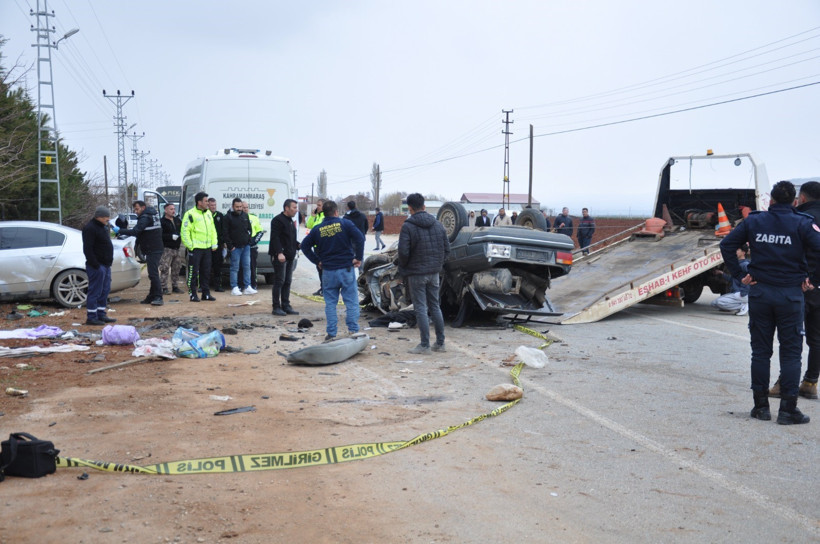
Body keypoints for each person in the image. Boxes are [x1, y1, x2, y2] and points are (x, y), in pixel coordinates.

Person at [720, 180, 820, 425]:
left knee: (761, 352)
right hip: (790, 296)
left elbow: (727, 243)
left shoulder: (755, 221)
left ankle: (761, 407)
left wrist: (738, 274)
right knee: (791, 353)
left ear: (771, 201)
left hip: (761, 293)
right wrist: (813, 281)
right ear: (795, 202)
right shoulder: (802, 223)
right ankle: (788, 410)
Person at [301, 200, 365, 341]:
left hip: (328, 271)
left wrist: (317, 261)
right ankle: (353, 330)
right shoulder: (345, 224)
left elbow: (304, 246)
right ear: (336, 212)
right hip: (346, 269)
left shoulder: (317, 229)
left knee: (330, 303)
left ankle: (331, 333)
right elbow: (360, 239)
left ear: (323, 213)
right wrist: (358, 258)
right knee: (351, 302)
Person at [398, 193, 451, 354]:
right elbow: (447, 249)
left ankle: (424, 345)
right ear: (424, 206)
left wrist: (405, 269)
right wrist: (437, 264)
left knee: (420, 308)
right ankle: (440, 344)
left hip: (416, 273)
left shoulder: (408, 226)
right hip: (434, 273)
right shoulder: (438, 225)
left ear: (410, 208)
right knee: (435, 306)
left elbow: (403, 252)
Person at [120, 200, 164, 306]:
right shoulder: (152, 215)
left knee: (153, 274)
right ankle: (151, 296)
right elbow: (142, 233)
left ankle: (158, 297)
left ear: (143, 208)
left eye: (137, 209)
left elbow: (136, 231)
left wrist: (120, 230)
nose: (135, 211)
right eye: (134, 209)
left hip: (153, 249)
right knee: (152, 274)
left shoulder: (145, 217)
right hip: (154, 248)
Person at [82, 206, 117, 326]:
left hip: (105, 265)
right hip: (97, 266)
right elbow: (88, 249)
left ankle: (101, 313)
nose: (108, 220)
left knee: (104, 290)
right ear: (99, 217)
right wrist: (95, 264)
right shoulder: (90, 228)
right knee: (95, 291)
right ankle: (91, 317)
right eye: (106, 218)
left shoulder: (102, 227)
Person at [181, 191, 218, 302]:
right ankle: (193, 294)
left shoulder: (208, 214)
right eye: (206, 201)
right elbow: (185, 231)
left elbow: (212, 230)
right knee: (193, 272)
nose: (207, 203)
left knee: (206, 272)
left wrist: (214, 243)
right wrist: (190, 246)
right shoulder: (190, 214)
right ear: (199, 202)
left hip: (207, 249)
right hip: (195, 249)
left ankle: (206, 294)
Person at [269, 198, 300, 316]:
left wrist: (298, 245)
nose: (296, 210)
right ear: (287, 208)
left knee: (287, 281)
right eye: (294, 208)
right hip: (280, 257)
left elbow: (289, 238)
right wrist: (279, 253)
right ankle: (276, 307)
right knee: (279, 281)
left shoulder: (290, 221)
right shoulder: (277, 220)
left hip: (290, 256)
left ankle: (286, 305)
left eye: (296, 208)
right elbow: (275, 238)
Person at [223, 197, 255, 296]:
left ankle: (247, 287)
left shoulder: (245, 216)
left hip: (246, 247)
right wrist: (230, 246)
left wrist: (249, 241)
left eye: (241, 206)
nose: (239, 208)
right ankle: (234, 287)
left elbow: (249, 230)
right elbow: (225, 233)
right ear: (233, 206)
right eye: (237, 207)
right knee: (234, 268)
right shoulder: (228, 217)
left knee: (247, 267)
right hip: (235, 248)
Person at [711, 245, 750, 315]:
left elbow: (752, 277)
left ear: (743, 252)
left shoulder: (745, 264)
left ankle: (744, 306)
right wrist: (721, 273)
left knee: (719, 302)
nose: (735, 252)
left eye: (737, 250)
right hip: (737, 293)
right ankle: (743, 304)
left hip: (742, 294)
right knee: (714, 303)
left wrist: (744, 292)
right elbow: (733, 279)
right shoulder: (738, 264)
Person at [159, 203, 184, 295]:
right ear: (165, 210)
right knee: (165, 268)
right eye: (171, 209)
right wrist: (170, 236)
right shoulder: (162, 222)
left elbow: (182, 230)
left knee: (176, 268)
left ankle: (175, 286)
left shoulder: (177, 220)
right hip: (167, 249)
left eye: (174, 209)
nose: (173, 211)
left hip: (177, 249)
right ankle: (163, 287)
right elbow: (160, 235)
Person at [242, 201, 264, 291]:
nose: (245, 209)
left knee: (252, 267)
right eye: (244, 207)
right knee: (241, 267)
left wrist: (254, 241)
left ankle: (253, 285)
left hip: (252, 248)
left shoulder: (254, 218)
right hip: (241, 247)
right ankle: (242, 285)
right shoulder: (238, 218)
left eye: (247, 207)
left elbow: (260, 231)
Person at [306, 199, 325, 296]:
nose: (317, 207)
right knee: (319, 268)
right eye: (317, 205)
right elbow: (309, 226)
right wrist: (312, 216)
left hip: (323, 246)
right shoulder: (317, 216)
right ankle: (323, 287)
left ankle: (325, 288)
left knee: (324, 268)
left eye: (319, 205)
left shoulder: (325, 217)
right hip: (316, 246)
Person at [208, 197, 226, 292]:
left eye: (215, 205)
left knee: (217, 266)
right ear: (208, 205)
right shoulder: (205, 215)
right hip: (207, 245)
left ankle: (218, 285)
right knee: (206, 266)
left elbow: (224, 230)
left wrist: (223, 242)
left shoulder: (220, 216)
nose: (213, 207)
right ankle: (203, 286)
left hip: (218, 246)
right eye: (211, 205)